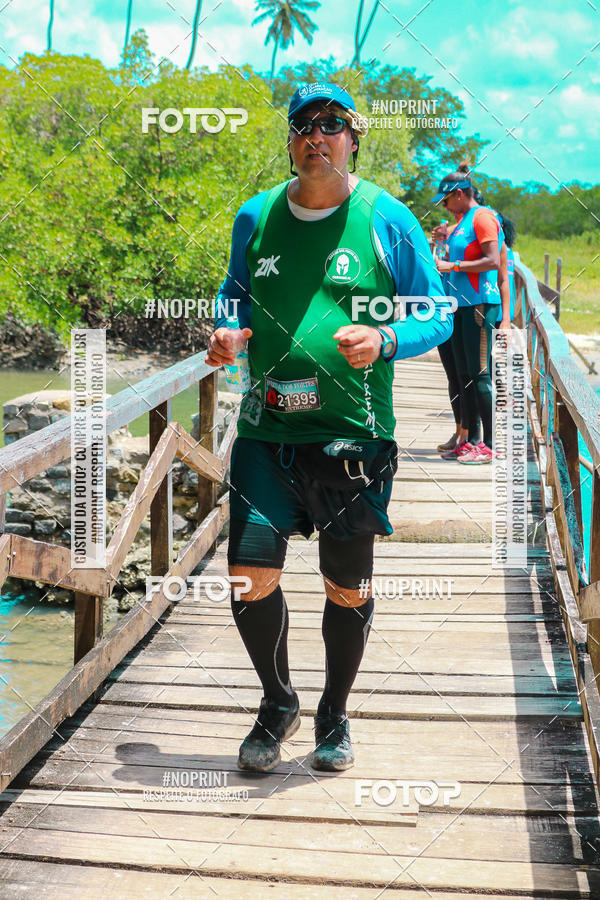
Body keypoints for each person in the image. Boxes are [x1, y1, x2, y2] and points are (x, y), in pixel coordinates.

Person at [206, 82, 453, 774]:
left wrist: (388, 339)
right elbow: (235, 292)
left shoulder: (387, 217)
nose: (316, 134)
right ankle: (277, 701)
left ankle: (334, 712)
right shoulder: (254, 216)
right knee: (248, 575)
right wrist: (228, 329)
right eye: (303, 125)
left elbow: (440, 312)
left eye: (332, 123)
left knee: (347, 587)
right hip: (266, 431)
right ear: (290, 140)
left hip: (353, 436)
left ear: (354, 138)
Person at [431, 165, 504, 465]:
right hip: (459, 305)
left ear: (459, 194)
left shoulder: (483, 217)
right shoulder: (460, 223)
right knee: (464, 375)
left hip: (479, 305)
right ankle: (471, 440)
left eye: (446, 200)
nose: (444, 206)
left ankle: (490, 444)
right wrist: (441, 245)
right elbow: (448, 260)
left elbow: (493, 260)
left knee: (479, 374)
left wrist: (454, 267)